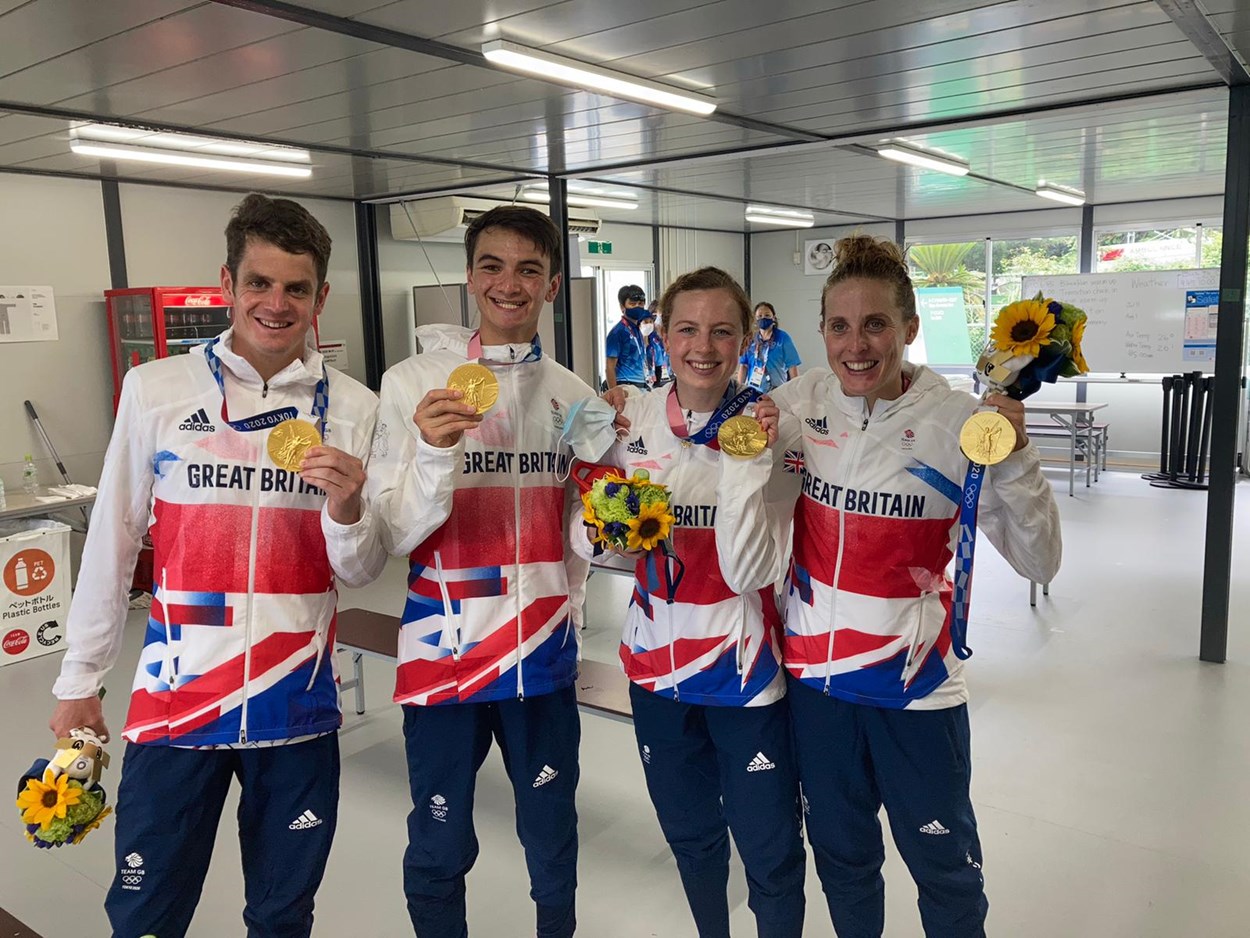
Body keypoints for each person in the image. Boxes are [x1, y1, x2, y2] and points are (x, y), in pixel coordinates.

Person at [48, 193, 380, 938]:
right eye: (258, 282)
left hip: (296, 707)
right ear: (226, 284)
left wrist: (349, 507)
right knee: (145, 915)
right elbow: (113, 539)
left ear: (320, 297)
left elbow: (357, 571)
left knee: (283, 916)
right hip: (177, 708)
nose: (275, 303)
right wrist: (79, 678)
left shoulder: (356, 408)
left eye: (296, 288)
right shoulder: (157, 390)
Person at [718, 235, 1062, 938]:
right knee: (844, 863)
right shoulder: (799, 403)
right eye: (839, 326)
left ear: (908, 329)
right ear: (820, 332)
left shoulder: (961, 423)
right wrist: (626, 410)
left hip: (918, 692)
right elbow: (716, 428)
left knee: (946, 874)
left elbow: (1041, 563)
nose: (857, 345)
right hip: (818, 690)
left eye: (876, 324)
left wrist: (1019, 458)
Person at [329, 205, 593, 938]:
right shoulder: (412, 382)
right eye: (493, 266)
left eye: (529, 269)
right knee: (441, 839)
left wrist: (618, 512)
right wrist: (436, 453)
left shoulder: (576, 397)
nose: (510, 284)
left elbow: (585, 538)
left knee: (550, 834)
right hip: (443, 651)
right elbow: (394, 533)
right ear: (471, 277)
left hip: (540, 654)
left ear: (553, 285)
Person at [582, 267, 807, 938]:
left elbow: (762, 563)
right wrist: (601, 519)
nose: (702, 346)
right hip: (656, 671)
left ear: (746, 340)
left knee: (770, 849)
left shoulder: (774, 425)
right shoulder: (631, 416)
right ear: (662, 334)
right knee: (692, 838)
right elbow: (597, 544)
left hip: (748, 675)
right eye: (686, 328)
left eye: (721, 331)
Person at [736, 301, 801, 393]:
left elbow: (792, 366)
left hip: (778, 390)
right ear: (755, 319)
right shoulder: (750, 339)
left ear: (773, 318)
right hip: (753, 391)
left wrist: (796, 391)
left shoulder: (783, 338)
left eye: (767, 315)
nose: (763, 318)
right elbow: (744, 366)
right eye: (760, 316)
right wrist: (738, 390)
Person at [605, 284, 654, 390]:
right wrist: (614, 393)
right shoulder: (617, 332)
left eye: (640, 304)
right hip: (625, 386)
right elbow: (609, 367)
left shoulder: (638, 330)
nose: (637, 306)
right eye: (632, 304)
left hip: (642, 386)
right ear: (622, 307)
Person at [646, 299, 670, 385]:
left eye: (661, 315)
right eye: (655, 315)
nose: (658, 319)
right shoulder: (647, 336)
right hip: (651, 380)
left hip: (669, 380)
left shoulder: (671, 337)